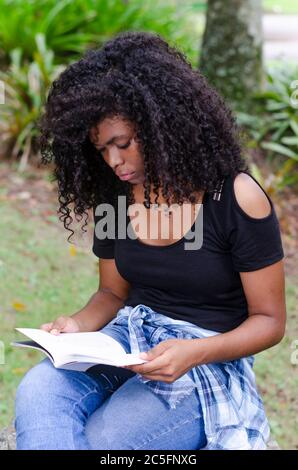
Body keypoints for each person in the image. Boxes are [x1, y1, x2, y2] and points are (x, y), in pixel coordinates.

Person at [15, 31, 286, 450]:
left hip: (201, 364)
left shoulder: (235, 198)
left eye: (122, 144)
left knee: (107, 437)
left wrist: (193, 353)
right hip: (127, 345)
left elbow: (270, 323)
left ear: (163, 124)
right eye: (102, 149)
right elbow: (110, 292)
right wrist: (75, 325)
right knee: (39, 390)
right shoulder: (116, 198)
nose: (114, 161)